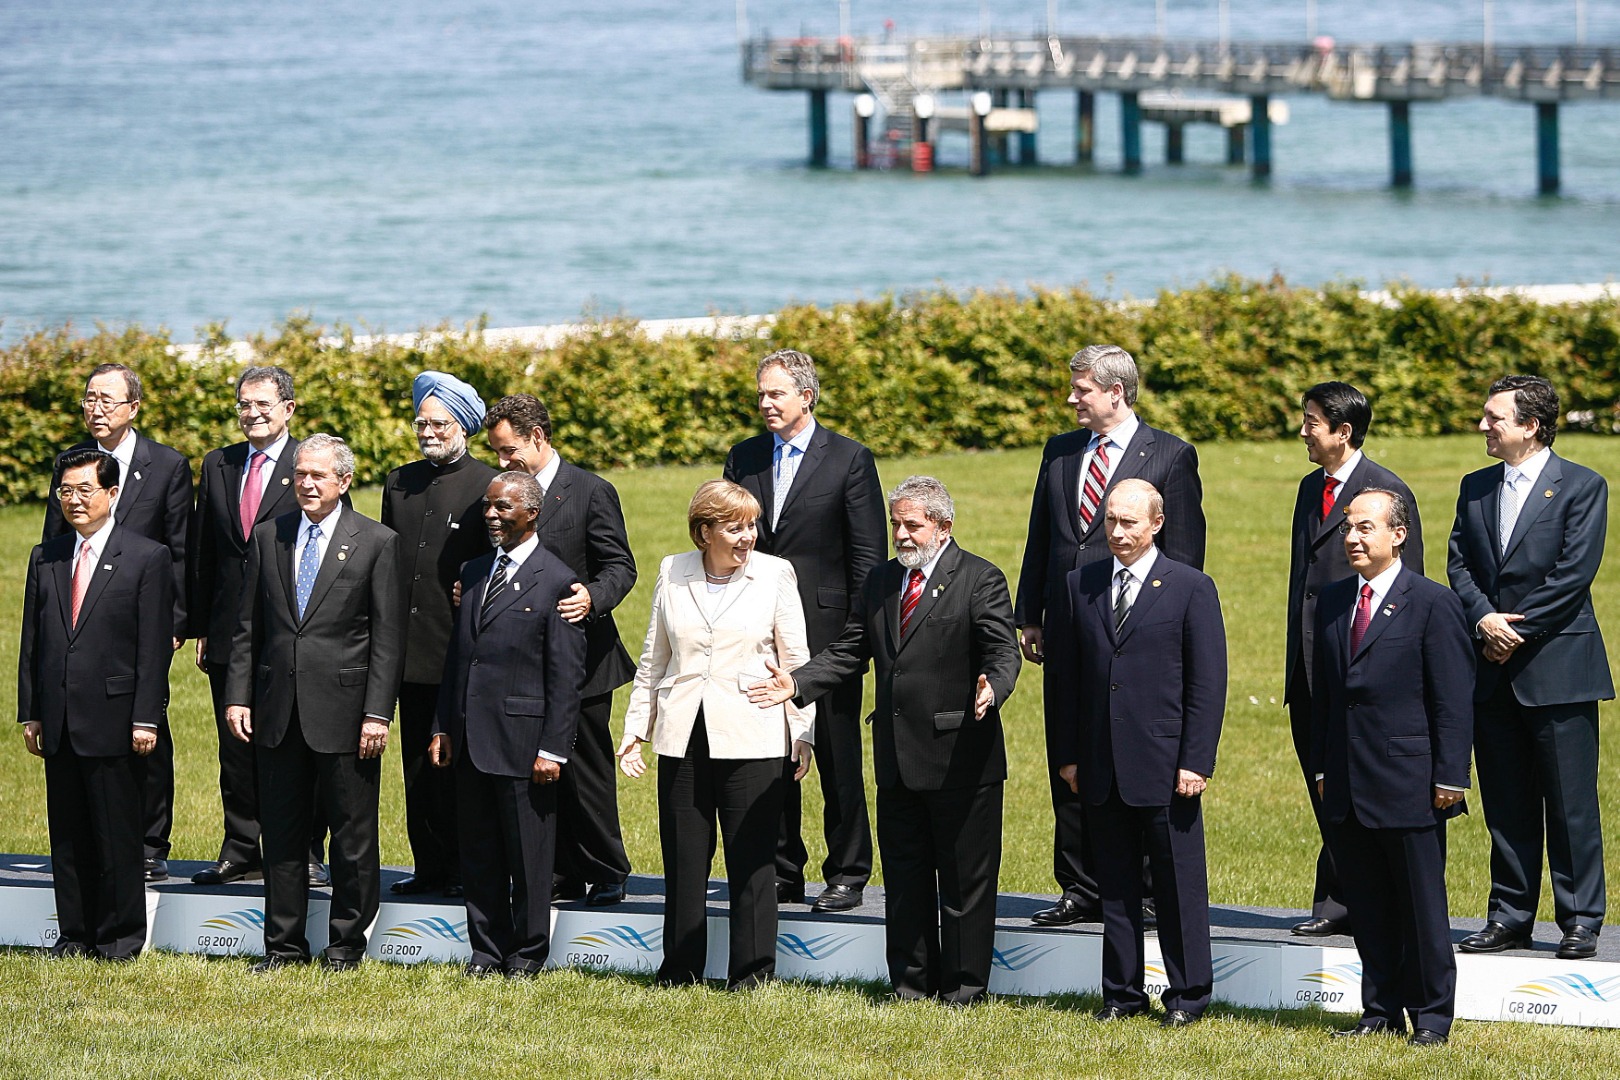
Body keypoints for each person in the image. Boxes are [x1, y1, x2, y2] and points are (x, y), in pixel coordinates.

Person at [749, 475, 1021, 1005]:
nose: (901, 534)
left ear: (943, 527)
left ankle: (964, 991)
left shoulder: (980, 578)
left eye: (912, 525)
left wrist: (995, 685)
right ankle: (911, 987)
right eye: (896, 523)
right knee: (906, 879)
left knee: (966, 885)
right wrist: (798, 682)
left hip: (960, 756)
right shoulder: (879, 582)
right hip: (897, 758)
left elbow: (1001, 651)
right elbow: (851, 648)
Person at [1015, 344, 1205, 928]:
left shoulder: (1170, 455)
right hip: (1066, 621)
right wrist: (1030, 614)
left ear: (1116, 392)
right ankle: (1079, 884)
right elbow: (1043, 536)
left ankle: (1144, 886)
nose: (1072, 397)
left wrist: (1171, 629)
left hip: (1134, 628)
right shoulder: (1061, 451)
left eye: (1082, 389)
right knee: (1069, 747)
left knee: (1135, 753)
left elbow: (1186, 556)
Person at [616, 480, 815, 989]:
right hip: (683, 736)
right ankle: (680, 970)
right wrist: (636, 727)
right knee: (684, 859)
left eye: (750, 526)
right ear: (704, 532)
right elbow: (654, 658)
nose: (747, 537)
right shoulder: (671, 570)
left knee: (751, 861)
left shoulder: (775, 574)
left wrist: (802, 732)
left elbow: (797, 661)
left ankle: (751, 974)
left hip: (754, 733)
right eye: (734, 528)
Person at [225, 434, 405, 971]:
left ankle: (345, 945)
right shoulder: (267, 537)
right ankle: (283, 947)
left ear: (343, 481)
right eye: (300, 474)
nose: (305, 483)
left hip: (348, 715)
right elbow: (246, 628)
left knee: (352, 836)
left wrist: (377, 713)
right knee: (281, 835)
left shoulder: (375, 541)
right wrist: (238, 696)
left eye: (318, 475)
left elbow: (388, 638)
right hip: (277, 710)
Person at [1447, 375, 1610, 961]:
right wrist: (1484, 620)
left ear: (1530, 426)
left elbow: (1574, 573)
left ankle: (1580, 918)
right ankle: (1510, 916)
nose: (1483, 426)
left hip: (1558, 668)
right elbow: (1458, 563)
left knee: (1570, 805)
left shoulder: (1583, 487)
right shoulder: (1475, 487)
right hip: (1490, 671)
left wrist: (1511, 630)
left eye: (1494, 417)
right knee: (1507, 802)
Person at [1053, 479, 1225, 1027]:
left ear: (1156, 524)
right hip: (1101, 766)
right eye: (1110, 522)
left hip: (1167, 765)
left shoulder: (1190, 587)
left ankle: (1188, 995)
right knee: (1116, 890)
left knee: (1177, 888)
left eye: (1130, 522)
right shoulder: (1080, 584)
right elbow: (1064, 681)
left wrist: (1196, 760)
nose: (1119, 533)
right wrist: (1069, 757)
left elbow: (1207, 682)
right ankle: (1121, 995)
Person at [723, 348, 885, 913]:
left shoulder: (850, 460)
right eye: (761, 394)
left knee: (839, 760)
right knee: (769, 758)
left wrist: (857, 639)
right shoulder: (742, 458)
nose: (765, 403)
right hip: (757, 634)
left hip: (828, 636)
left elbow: (869, 560)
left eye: (776, 394)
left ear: (806, 397)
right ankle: (781, 870)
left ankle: (847, 872)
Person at [1313, 489, 1472, 1047]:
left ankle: (1431, 1016)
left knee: (1421, 909)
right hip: (1347, 781)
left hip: (1413, 783)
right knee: (1370, 906)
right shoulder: (1332, 601)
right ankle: (1379, 1010)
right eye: (1347, 530)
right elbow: (1329, 698)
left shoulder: (1432, 603)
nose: (1353, 539)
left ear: (1397, 534)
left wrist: (1451, 774)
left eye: (1365, 529)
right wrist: (1326, 768)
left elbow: (1452, 698)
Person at [19, 449, 173, 961]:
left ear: (112, 494)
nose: (75, 500)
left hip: (116, 717)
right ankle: (75, 934)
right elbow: (33, 640)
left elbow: (152, 648)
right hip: (60, 718)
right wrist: (33, 710)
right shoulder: (47, 556)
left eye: (86, 490)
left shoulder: (147, 556)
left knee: (116, 835)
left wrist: (146, 716)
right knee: (67, 835)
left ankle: (119, 938)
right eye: (66, 490)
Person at [430, 472, 586, 977]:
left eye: (503, 508)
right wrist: (442, 725)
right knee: (478, 853)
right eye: (488, 507)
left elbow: (565, 676)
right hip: (472, 737)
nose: (492, 515)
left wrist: (554, 749)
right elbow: (459, 658)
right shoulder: (474, 571)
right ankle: (486, 951)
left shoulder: (558, 580)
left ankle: (527, 953)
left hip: (526, 744)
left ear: (532, 513)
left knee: (529, 857)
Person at [485, 394, 636, 906]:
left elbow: (620, 566)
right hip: (519, 665)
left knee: (585, 768)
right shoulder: (499, 496)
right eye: (498, 453)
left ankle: (607, 868)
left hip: (584, 661)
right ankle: (557, 871)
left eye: (509, 451)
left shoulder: (591, 491)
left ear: (538, 438)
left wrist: (594, 597)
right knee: (536, 771)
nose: (503, 462)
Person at [1284, 381, 1423, 936]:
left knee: (1362, 793)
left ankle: (1356, 902)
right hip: (1309, 667)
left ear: (1343, 432)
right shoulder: (1307, 488)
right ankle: (1341, 899)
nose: (1303, 432)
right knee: (1326, 792)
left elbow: (1410, 590)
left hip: (1360, 667)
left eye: (1312, 422)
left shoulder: (1386, 492)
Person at [44, 363, 190, 883]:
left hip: (143, 618)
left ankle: (151, 842)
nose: (96, 408)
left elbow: (178, 551)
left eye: (108, 400)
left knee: (148, 725)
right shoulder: (69, 465)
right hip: (83, 616)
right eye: (89, 398)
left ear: (134, 407)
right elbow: (52, 547)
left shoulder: (167, 465)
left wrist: (174, 622)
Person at [188, 365, 329, 887]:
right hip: (229, 632)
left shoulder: (311, 465)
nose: (252, 413)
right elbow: (206, 551)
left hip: (292, 630)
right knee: (236, 746)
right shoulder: (219, 464)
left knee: (299, 743)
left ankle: (304, 851)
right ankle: (241, 846)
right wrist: (202, 624)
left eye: (263, 404)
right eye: (244, 404)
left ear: (288, 408)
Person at [382, 371, 496, 899]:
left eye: (439, 423)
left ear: (463, 426)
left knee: (461, 768)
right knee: (416, 767)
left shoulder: (486, 485)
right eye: (421, 422)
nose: (428, 431)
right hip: (405, 649)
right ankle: (429, 866)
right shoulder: (397, 481)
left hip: (462, 647)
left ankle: (468, 868)